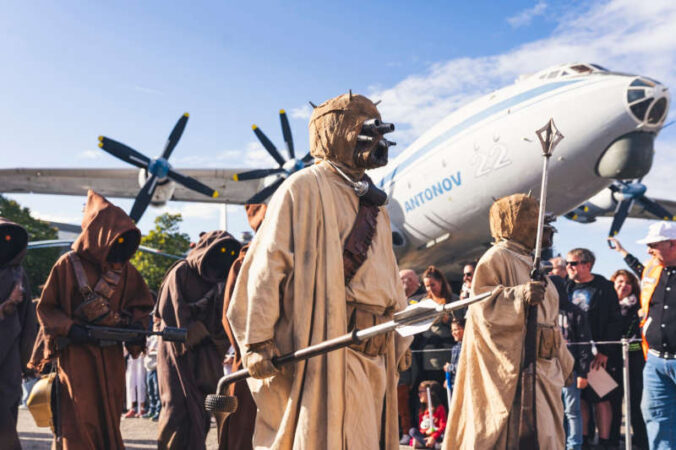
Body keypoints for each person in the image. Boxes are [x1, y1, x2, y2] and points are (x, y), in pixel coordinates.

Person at [227, 93, 411, 449]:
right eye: (367, 130)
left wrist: (401, 338)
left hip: (375, 354)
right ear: (338, 132)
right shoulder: (304, 187)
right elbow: (267, 267)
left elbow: (391, 278)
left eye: (379, 132)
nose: (377, 141)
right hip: (328, 347)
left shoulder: (376, 204)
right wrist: (258, 342)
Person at [444, 193, 574, 449]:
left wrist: (565, 361)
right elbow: (482, 306)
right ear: (515, 222)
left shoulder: (533, 263)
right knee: (516, 436)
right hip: (516, 370)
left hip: (544, 370)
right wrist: (519, 295)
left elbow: (550, 325)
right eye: (535, 220)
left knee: (547, 436)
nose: (545, 230)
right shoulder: (497, 258)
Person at [35, 190, 154, 449]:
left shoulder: (126, 271)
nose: (120, 245)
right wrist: (70, 328)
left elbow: (142, 306)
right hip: (77, 357)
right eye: (116, 238)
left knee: (110, 416)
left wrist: (136, 328)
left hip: (111, 357)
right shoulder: (67, 266)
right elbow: (47, 308)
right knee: (79, 419)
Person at [156, 230, 240, 450]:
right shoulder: (181, 272)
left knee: (202, 413)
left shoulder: (223, 282)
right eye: (219, 251)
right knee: (176, 409)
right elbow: (170, 315)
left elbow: (225, 319)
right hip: (177, 355)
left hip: (207, 356)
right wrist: (195, 331)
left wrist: (216, 342)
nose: (223, 257)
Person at [218, 204, 266, 450]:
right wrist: (253, 349)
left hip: (284, 364)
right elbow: (232, 315)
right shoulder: (246, 261)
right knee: (244, 430)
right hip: (253, 363)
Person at [566, 248, 622, 449]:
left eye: (573, 263)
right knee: (579, 398)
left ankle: (606, 441)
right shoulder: (567, 286)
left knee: (601, 398)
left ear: (586, 265)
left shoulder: (604, 287)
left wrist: (605, 351)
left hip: (598, 353)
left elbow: (615, 321)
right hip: (572, 353)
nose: (568, 267)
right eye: (567, 263)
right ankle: (585, 438)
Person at [633, 222, 676, 449]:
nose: (648, 250)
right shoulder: (652, 269)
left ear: (672, 244)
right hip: (656, 361)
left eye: (653, 245)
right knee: (657, 420)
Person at [0, 218, 37, 449]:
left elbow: (27, 319)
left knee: (8, 407)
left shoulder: (18, 275)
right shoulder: (17, 275)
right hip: (11, 357)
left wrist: (28, 360)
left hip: (9, 359)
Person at [609, 269, 648, 449]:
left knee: (635, 403)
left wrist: (628, 349)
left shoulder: (637, 306)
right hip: (610, 360)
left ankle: (641, 441)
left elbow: (636, 340)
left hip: (633, 360)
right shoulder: (608, 304)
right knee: (613, 404)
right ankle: (612, 440)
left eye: (627, 283)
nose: (623, 286)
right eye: (620, 281)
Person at [416, 266, 457, 386]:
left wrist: (447, 320)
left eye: (433, 285)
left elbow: (461, 323)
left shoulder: (453, 300)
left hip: (448, 351)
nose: (430, 289)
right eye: (427, 286)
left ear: (440, 282)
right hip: (430, 354)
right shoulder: (424, 302)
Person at [401, 380, 447, 449]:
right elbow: (421, 428)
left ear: (430, 393)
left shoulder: (439, 408)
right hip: (426, 436)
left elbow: (443, 426)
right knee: (412, 431)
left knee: (439, 441)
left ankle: (429, 444)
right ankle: (429, 445)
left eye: (421, 392)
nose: (419, 394)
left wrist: (433, 437)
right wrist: (426, 431)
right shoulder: (422, 410)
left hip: (437, 436)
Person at [443, 318, 465, 392]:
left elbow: (462, 367)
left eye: (456, 330)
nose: (453, 333)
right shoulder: (455, 348)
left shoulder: (468, 346)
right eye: (452, 330)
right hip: (456, 384)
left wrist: (449, 367)